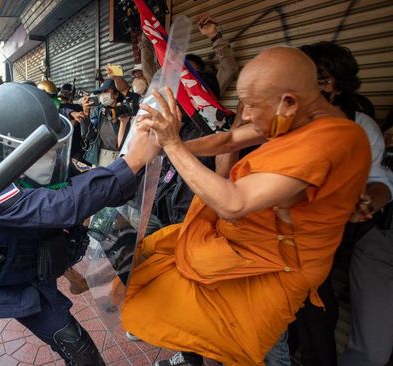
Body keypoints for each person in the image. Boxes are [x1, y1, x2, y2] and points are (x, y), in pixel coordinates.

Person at [121, 47, 371, 366]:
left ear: (289, 102)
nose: (247, 114)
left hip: (272, 265)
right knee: (203, 329)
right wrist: (166, 149)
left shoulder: (333, 139)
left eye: (252, 106)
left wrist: (172, 144)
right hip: (238, 248)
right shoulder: (292, 119)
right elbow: (228, 141)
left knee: (254, 349)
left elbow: (234, 203)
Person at [0, 82, 158, 365]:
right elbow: (53, 207)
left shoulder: (46, 166)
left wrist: (137, 155)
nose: (50, 157)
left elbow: (93, 188)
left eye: (53, 149)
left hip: (26, 278)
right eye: (41, 150)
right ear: (2, 146)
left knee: (81, 351)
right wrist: (129, 163)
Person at [298, 42, 393, 366]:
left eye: (310, 78)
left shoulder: (360, 127)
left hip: (332, 238)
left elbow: (379, 180)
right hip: (287, 234)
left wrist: (368, 202)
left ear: (332, 85)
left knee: (318, 312)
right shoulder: (283, 120)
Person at [81, 79, 137, 166]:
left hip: (121, 156)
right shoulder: (98, 111)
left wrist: (116, 119)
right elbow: (89, 136)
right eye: (101, 92)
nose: (103, 95)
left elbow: (123, 143)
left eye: (106, 91)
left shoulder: (126, 110)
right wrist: (86, 115)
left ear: (116, 94)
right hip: (101, 155)